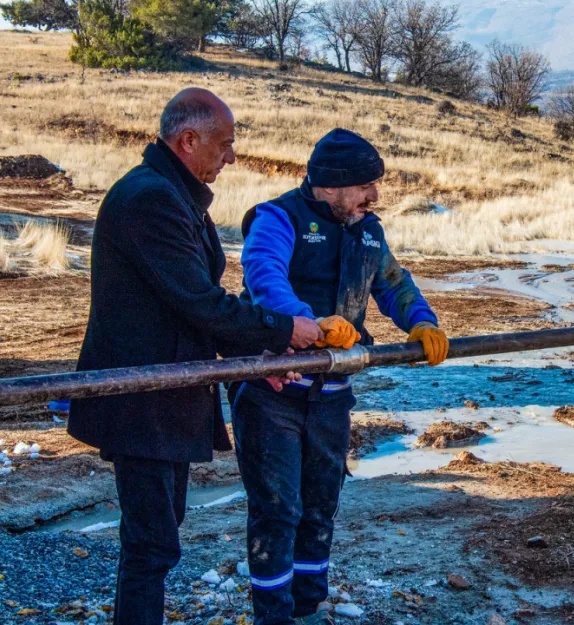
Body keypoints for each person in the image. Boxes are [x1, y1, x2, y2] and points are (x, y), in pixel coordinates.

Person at [67, 88, 324, 625]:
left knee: (156, 539)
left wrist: (257, 361)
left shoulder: (172, 194)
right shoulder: (151, 200)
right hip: (144, 399)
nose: (231, 157)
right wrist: (284, 333)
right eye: (225, 145)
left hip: (166, 396)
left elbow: (189, 307)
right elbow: (199, 302)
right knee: (151, 547)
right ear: (188, 140)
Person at [232, 128, 449, 624]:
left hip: (333, 395)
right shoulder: (277, 218)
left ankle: (309, 605)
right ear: (331, 185)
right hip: (273, 390)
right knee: (276, 508)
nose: (374, 196)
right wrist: (309, 325)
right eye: (365, 185)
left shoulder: (367, 229)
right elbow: (263, 277)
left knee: (320, 504)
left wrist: (421, 321)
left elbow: (393, 282)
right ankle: (273, 615)